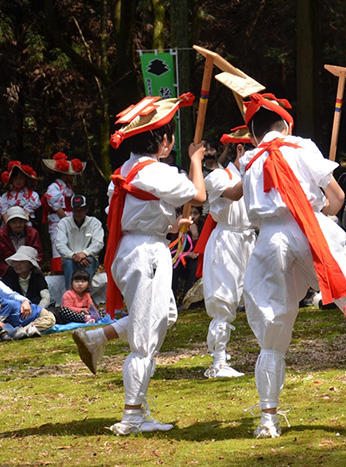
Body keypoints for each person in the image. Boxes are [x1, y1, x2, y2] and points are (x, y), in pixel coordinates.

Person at [239, 92, 346, 438]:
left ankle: (268, 420)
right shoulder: (301, 147)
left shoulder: (248, 161)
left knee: (273, 335)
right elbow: (337, 198)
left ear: (252, 134)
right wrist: (326, 211)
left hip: (268, 240)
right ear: (285, 125)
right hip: (308, 230)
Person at [71, 92, 205, 435]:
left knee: (166, 315)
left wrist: (174, 225)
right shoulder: (155, 171)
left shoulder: (127, 169)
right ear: (162, 141)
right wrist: (196, 160)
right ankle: (132, 415)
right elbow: (198, 195)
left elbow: (138, 214)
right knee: (145, 337)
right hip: (145, 252)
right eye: (169, 139)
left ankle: (101, 337)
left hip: (137, 246)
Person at [195, 129, 255, 378]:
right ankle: (218, 361)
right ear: (240, 150)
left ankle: (270, 351)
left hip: (250, 239)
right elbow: (234, 193)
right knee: (224, 298)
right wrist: (253, 170)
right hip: (226, 239)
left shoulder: (257, 177)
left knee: (259, 294)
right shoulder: (218, 176)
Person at [42, 152, 85, 273]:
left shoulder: (68, 187)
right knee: (59, 245)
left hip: (70, 218)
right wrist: (68, 221)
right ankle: (59, 272)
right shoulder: (54, 187)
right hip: (58, 221)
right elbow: (57, 207)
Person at [54, 194, 104, 290]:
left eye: (81, 209)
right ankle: (70, 297)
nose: (78, 212)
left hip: (88, 257)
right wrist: (73, 255)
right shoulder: (64, 223)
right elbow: (60, 244)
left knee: (88, 263)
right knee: (68, 264)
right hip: (70, 257)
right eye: (76, 210)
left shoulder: (94, 222)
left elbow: (98, 243)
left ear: (86, 209)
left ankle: (84, 297)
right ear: (72, 210)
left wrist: (84, 253)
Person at [0, 206, 43, 275]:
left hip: (29, 270)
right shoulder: (1, 235)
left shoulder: (33, 233)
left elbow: (38, 255)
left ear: (25, 222)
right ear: (9, 223)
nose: (18, 225)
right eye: (14, 222)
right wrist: (9, 270)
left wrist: (29, 268)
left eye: (21, 222)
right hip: (6, 272)